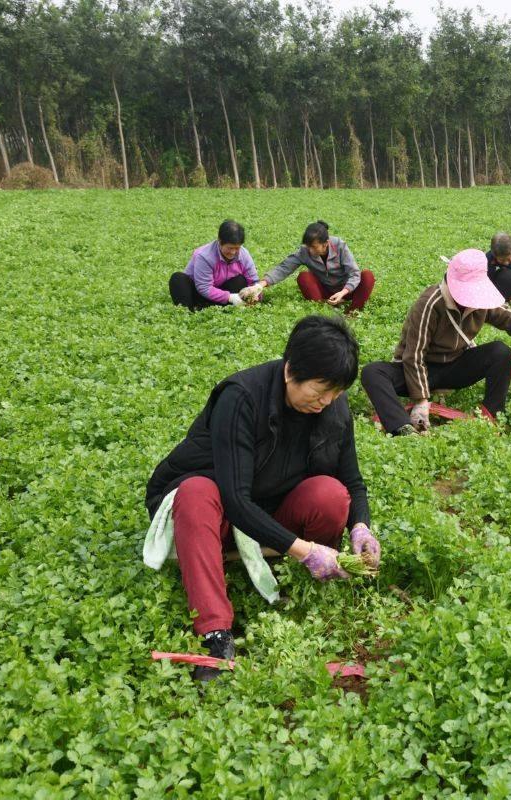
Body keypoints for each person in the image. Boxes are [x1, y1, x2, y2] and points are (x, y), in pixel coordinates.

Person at [145, 316, 381, 681]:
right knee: (195, 492)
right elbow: (236, 500)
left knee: (331, 494)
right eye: (320, 390)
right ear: (290, 372)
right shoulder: (240, 398)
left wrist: (361, 527)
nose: (327, 401)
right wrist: (305, 549)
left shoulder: (332, 403)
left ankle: (289, 567)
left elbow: (351, 479)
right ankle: (215, 633)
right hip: (218, 516)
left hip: (271, 508)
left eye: (335, 392)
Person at [361, 248, 511, 436]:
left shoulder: (481, 300)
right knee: (373, 373)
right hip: (421, 370)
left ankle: (492, 415)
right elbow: (414, 354)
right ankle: (402, 427)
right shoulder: (430, 303)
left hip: (453, 366)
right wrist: (421, 400)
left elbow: (507, 316)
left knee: (501, 352)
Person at [245, 221, 375, 311]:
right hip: (325, 290)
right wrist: (259, 286)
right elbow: (284, 268)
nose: (310, 250)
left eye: (313, 247)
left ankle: (352, 311)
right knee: (304, 277)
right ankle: (324, 305)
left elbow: (354, 273)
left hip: (347, 290)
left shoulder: (340, 245)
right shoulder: (304, 251)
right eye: (308, 246)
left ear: (326, 244)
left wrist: (343, 292)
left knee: (367, 276)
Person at [170, 220, 261, 311]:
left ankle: (217, 308)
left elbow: (253, 281)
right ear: (220, 241)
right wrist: (230, 297)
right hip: (199, 294)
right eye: (230, 248)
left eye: (237, 248)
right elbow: (204, 288)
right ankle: (192, 310)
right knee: (178, 279)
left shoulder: (244, 255)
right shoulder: (204, 256)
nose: (233, 252)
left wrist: (256, 294)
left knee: (240, 280)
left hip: (223, 292)